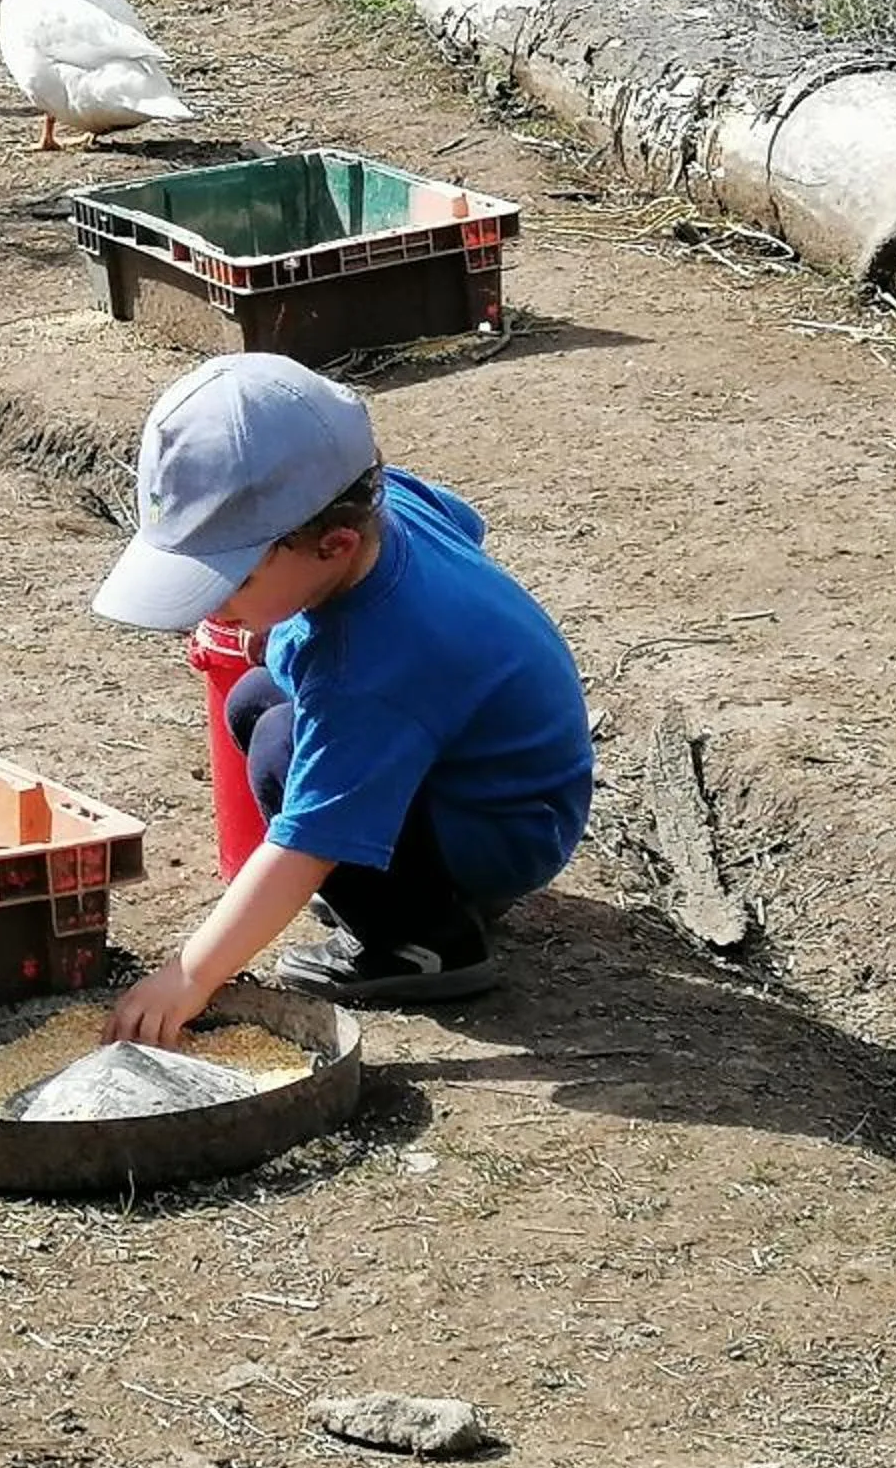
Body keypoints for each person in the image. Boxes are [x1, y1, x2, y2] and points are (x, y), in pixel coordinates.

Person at [92, 352, 592, 1046]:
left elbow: (306, 841)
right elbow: (466, 523)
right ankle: (410, 889)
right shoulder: (386, 508)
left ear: (333, 545)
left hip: (507, 824)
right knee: (258, 699)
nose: (211, 606)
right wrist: (275, 625)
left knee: (280, 747)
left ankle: (427, 941)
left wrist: (191, 974)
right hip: (502, 785)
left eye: (229, 581)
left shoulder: (374, 670)